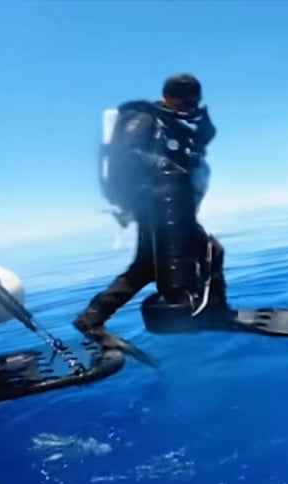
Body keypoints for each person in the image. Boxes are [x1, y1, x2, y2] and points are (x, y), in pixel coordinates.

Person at [73, 74, 226, 351]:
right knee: (209, 251)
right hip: (156, 204)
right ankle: (216, 312)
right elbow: (126, 154)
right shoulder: (143, 116)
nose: (191, 104)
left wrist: (203, 118)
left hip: (167, 205)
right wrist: (163, 165)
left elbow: (203, 141)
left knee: (145, 267)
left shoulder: (171, 123)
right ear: (169, 95)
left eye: (196, 99)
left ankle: (91, 319)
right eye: (187, 98)